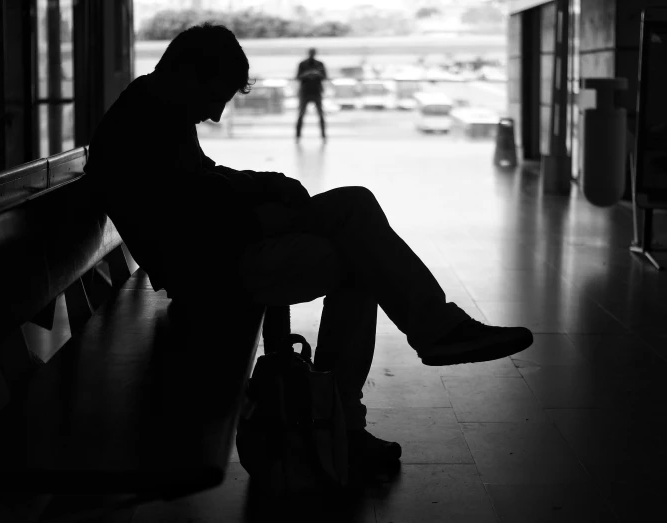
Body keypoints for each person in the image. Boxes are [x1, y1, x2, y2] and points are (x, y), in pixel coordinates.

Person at [84, 24, 533, 478]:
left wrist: (265, 184)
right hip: (210, 273)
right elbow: (190, 210)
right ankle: (392, 377)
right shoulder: (151, 118)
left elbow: (200, 187)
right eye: (216, 96)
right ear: (189, 74)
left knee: (358, 239)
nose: (217, 115)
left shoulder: (153, 106)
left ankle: (368, 401)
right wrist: (263, 213)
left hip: (210, 256)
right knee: (356, 222)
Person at [295, 48, 327, 144]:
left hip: (316, 91)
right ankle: (298, 136)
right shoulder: (302, 64)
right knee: (301, 114)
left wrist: (317, 74)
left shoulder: (320, 64)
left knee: (321, 114)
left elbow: (324, 76)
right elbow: (298, 77)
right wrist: (307, 74)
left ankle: (323, 136)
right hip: (305, 92)